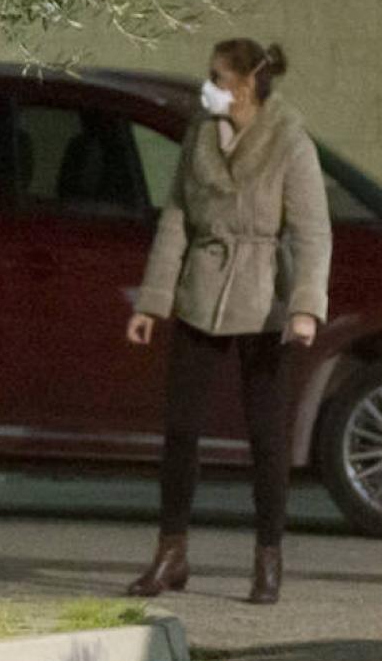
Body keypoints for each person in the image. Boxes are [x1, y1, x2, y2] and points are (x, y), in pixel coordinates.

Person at [124, 39, 330, 606]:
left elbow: (313, 231)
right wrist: (152, 301)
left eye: (216, 76)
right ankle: (171, 553)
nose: (206, 85)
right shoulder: (199, 131)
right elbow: (177, 218)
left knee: (266, 438)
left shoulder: (289, 139)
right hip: (201, 293)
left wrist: (306, 306)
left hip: (265, 301)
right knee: (181, 430)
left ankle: (268, 558)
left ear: (243, 85)